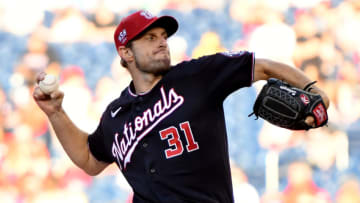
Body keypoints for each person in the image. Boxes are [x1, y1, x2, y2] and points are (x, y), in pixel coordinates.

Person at [33, 10, 330, 203]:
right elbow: (89, 160)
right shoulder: (116, 114)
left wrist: (316, 93)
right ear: (126, 52)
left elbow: (262, 66)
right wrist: (56, 113)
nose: (162, 43)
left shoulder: (196, 75)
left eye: (163, 36)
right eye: (150, 38)